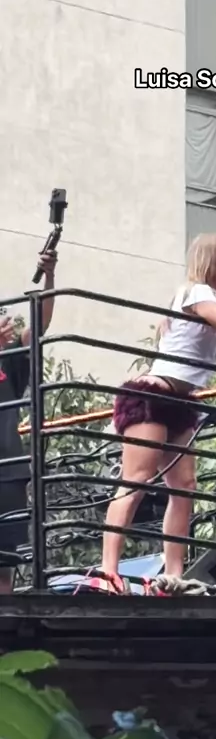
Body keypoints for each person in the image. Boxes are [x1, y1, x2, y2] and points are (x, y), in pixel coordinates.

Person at [101, 233, 216, 592]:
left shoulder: (209, 298)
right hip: (154, 394)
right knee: (136, 479)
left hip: (182, 400)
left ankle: (174, 574)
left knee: (185, 486)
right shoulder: (197, 292)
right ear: (208, 259)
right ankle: (108, 570)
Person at [0, 250, 58, 594]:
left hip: (8, 473)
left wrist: (49, 276)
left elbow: (38, 327)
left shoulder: (9, 362)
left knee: (4, 567)